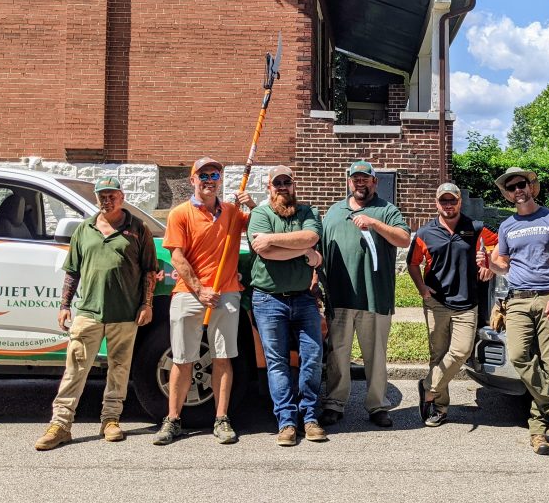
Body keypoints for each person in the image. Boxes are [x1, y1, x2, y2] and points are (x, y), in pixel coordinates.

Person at [35, 177, 158, 450]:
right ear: (97, 199)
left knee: (119, 368)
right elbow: (72, 272)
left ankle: (111, 419)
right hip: (88, 312)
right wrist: (64, 306)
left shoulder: (138, 229)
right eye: (102, 196)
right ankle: (60, 425)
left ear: (122, 197)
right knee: (75, 369)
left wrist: (147, 304)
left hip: (125, 313)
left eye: (112, 195)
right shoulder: (84, 229)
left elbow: (150, 271)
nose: (107, 200)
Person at [153, 157, 255, 445]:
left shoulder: (233, 213)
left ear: (219, 180)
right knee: (182, 359)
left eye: (214, 175)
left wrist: (253, 206)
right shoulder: (180, 214)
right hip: (189, 294)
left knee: (223, 358)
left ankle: (221, 419)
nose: (209, 180)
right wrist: (200, 289)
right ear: (192, 180)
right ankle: (172, 420)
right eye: (203, 175)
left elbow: (262, 227)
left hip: (227, 293)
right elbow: (177, 257)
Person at [488, 167, 549, 455]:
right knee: (518, 356)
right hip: (517, 300)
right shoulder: (507, 226)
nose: (518, 190)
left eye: (522, 184)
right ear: (507, 194)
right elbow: (503, 264)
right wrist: (490, 264)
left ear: (531, 186)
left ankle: (539, 432)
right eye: (512, 187)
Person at [320, 160, 410, 428]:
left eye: (365, 178)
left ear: (374, 182)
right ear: (349, 181)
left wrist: (374, 223)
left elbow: (404, 239)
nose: (360, 182)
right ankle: (335, 404)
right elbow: (322, 251)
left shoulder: (387, 210)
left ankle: (377, 405)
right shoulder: (334, 212)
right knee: (338, 355)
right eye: (355, 178)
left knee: (376, 356)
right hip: (340, 297)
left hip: (375, 297)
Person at [247, 165, 328, 446]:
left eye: (287, 182)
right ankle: (286, 422)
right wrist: (303, 252)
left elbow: (311, 237)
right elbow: (263, 251)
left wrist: (279, 241)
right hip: (268, 299)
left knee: (312, 357)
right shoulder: (260, 214)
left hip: (304, 298)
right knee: (277, 362)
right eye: (277, 182)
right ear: (269, 187)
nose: (282, 186)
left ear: (294, 185)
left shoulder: (308, 212)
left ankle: (310, 417)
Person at [407, 182, 497, 427]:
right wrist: (422, 288)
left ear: (460, 201)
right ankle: (439, 408)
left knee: (461, 351)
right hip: (436, 302)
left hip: (467, 302)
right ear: (437, 203)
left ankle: (428, 387)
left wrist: (489, 263)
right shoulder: (425, 233)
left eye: (452, 200)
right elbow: (413, 263)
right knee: (438, 355)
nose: (448, 205)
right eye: (443, 201)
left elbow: (502, 244)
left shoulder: (476, 228)